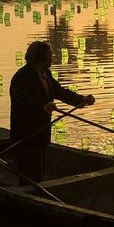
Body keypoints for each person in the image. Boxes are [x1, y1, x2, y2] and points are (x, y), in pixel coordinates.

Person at [9, 40, 94, 182]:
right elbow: (23, 101)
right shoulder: (21, 77)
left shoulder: (45, 74)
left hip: (42, 131)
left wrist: (81, 99)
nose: (52, 59)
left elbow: (59, 92)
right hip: (26, 133)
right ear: (40, 58)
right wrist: (42, 106)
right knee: (29, 173)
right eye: (49, 56)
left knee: (39, 169)